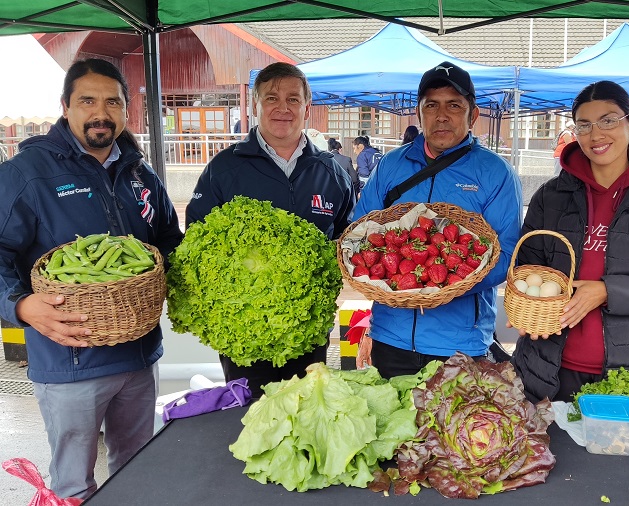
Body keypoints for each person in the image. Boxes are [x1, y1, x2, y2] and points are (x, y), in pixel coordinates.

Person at [0, 58, 184, 499]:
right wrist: (20, 305)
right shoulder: (27, 175)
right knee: (73, 484)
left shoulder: (141, 174)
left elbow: (168, 243)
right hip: (69, 363)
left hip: (138, 355)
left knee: (138, 470)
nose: (100, 112)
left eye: (112, 102)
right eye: (87, 101)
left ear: (125, 111)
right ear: (65, 107)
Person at [510, 80, 629, 404]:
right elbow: (527, 269)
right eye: (584, 125)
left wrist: (606, 292)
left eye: (608, 120)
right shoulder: (551, 196)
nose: (596, 134)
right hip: (546, 375)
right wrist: (527, 310)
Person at [185, 62, 356, 394]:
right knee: (250, 425)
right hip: (242, 331)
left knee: (306, 417)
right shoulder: (224, 168)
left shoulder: (332, 172)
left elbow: (347, 239)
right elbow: (196, 241)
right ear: (254, 105)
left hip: (308, 329)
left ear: (307, 108)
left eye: (293, 99)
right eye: (272, 98)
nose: (283, 108)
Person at [353, 61, 523, 379]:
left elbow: (507, 254)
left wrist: (440, 284)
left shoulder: (496, 173)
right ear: (420, 113)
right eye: (431, 105)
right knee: (392, 424)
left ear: (472, 115)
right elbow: (360, 233)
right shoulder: (390, 166)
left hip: (460, 344)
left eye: (454, 105)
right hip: (391, 336)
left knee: (450, 427)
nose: (441, 115)